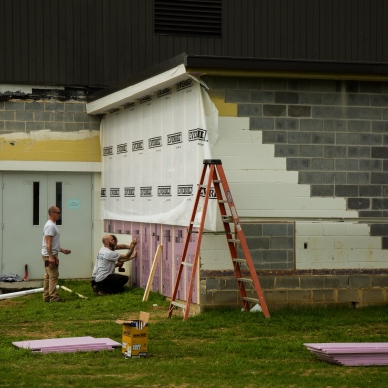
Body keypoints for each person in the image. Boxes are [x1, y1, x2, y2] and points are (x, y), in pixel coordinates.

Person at [41, 206, 71, 302]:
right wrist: (51, 256)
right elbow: (48, 242)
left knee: (47, 276)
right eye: (58, 213)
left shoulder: (52, 224)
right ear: (52, 213)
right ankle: (54, 297)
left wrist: (62, 250)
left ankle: (46, 296)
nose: (59, 214)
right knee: (53, 276)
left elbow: (53, 243)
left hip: (49, 253)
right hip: (50, 255)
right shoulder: (50, 226)